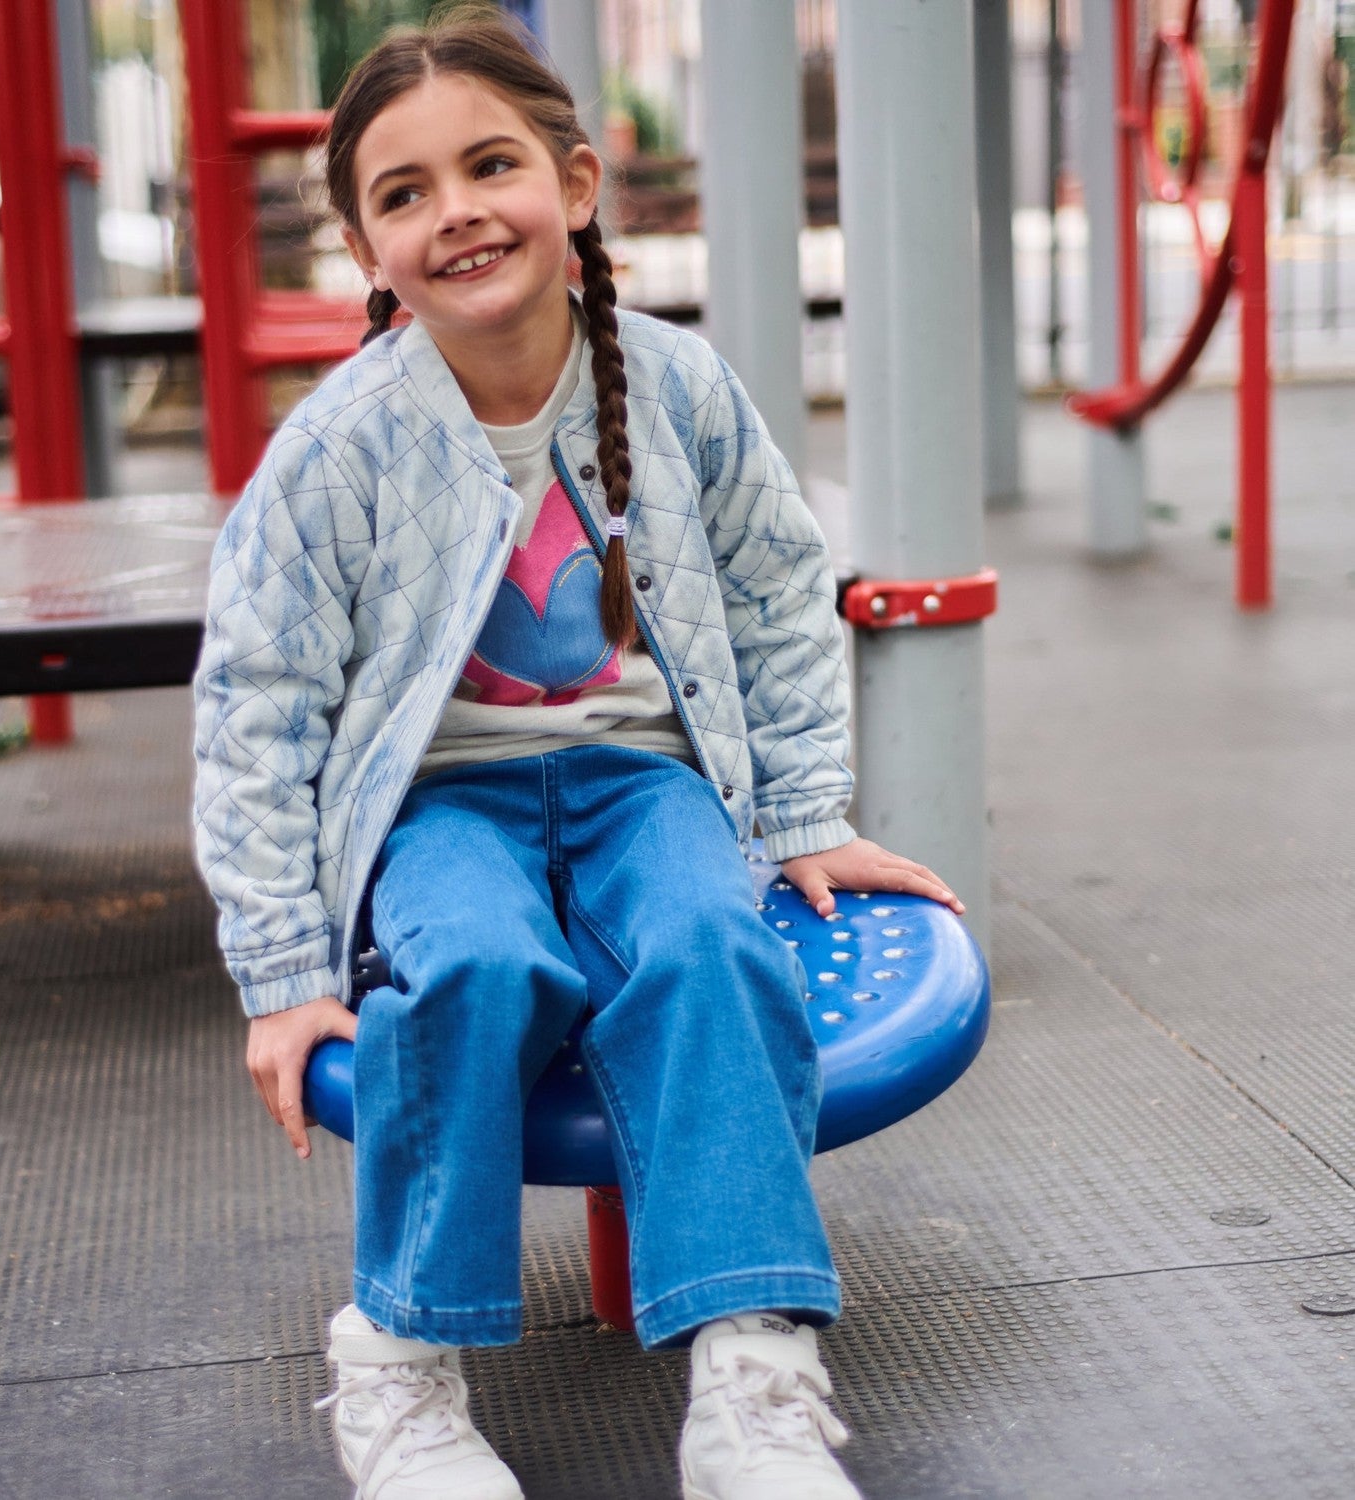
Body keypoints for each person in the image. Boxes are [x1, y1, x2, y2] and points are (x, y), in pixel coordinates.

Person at [192, 9, 963, 1498]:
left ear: (579, 183)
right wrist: (283, 971)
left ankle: (751, 1381)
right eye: (405, 192)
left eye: (491, 166)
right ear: (364, 249)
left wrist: (804, 811)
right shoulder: (340, 450)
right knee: (475, 967)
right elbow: (256, 707)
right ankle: (401, 1360)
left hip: (644, 784)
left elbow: (779, 591)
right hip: (441, 807)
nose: (457, 210)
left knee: (709, 946)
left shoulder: (675, 389)